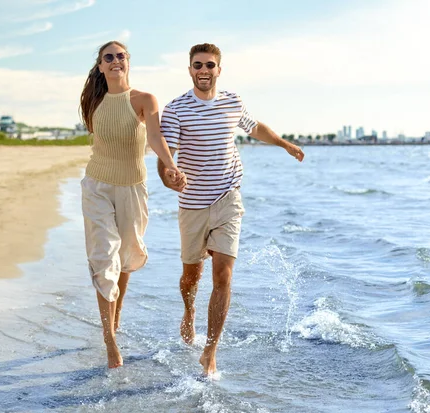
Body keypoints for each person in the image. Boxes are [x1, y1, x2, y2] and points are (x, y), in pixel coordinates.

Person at [157, 43, 304, 375]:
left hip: (228, 198)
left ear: (219, 70)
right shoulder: (176, 109)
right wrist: (169, 178)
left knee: (222, 275)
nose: (204, 70)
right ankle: (189, 311)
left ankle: (210, 351)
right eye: (198, 65)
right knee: (190, 278)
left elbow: (254, 127)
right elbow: (165, 156)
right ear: (190, 69)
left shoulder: (233, 101)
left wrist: (284, 144)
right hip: (192, 203)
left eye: (210, 65)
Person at [80, 40, 186, 369]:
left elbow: (155, 137)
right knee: (104, 256)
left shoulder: (143, 99)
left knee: (126, 256)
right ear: (100, 66)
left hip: (132, 189)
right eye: (108, 57)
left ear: (128, 62)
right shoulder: (95, 100)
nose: (115, 61)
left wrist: (170, 165)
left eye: (120, 56)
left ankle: (117, 313)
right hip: (97, 185)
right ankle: (109, 339)